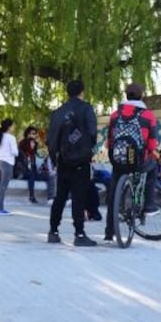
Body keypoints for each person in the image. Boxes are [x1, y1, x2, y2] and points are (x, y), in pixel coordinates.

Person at [46, 79, 98, 246]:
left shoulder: (58, 112)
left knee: (60, 196)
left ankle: (53, 231)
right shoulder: (86, 108)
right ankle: (79, 234)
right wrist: (88, 149)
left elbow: (52, 139)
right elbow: (92, 132)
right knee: (78, 197)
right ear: (82, 92)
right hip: (81, 159)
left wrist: (54, 158)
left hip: (63, 159)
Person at [105, 83, 159, 243]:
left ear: (126, 95)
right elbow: (152, 143)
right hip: (138, 160)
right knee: (153, 167)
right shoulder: (148, 115)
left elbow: (110, 140)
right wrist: (152, 152)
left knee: (114, 192)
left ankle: (109, 232)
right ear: (141, 96)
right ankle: (149, 205)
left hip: (118, 159)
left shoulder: (115, 115)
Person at [0, 118, 18, 215]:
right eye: (13, 125)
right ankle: (0, 209)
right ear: (9, 127)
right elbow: (15, 152)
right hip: (7, 163)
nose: (14, 127)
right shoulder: (11, 138)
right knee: (3, 187)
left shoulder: (0, 136)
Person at [18, 125, 40, 204]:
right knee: (31, 175)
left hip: (31, 172)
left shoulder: (32, 153)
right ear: (28, 133)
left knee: (48, 176)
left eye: (35, 134)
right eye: (32, 133)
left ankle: (52, 198)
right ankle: (31, 196)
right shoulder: (22, 146)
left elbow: (33, 165)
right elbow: (19, 162)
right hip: (22, 172)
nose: (34, 135)